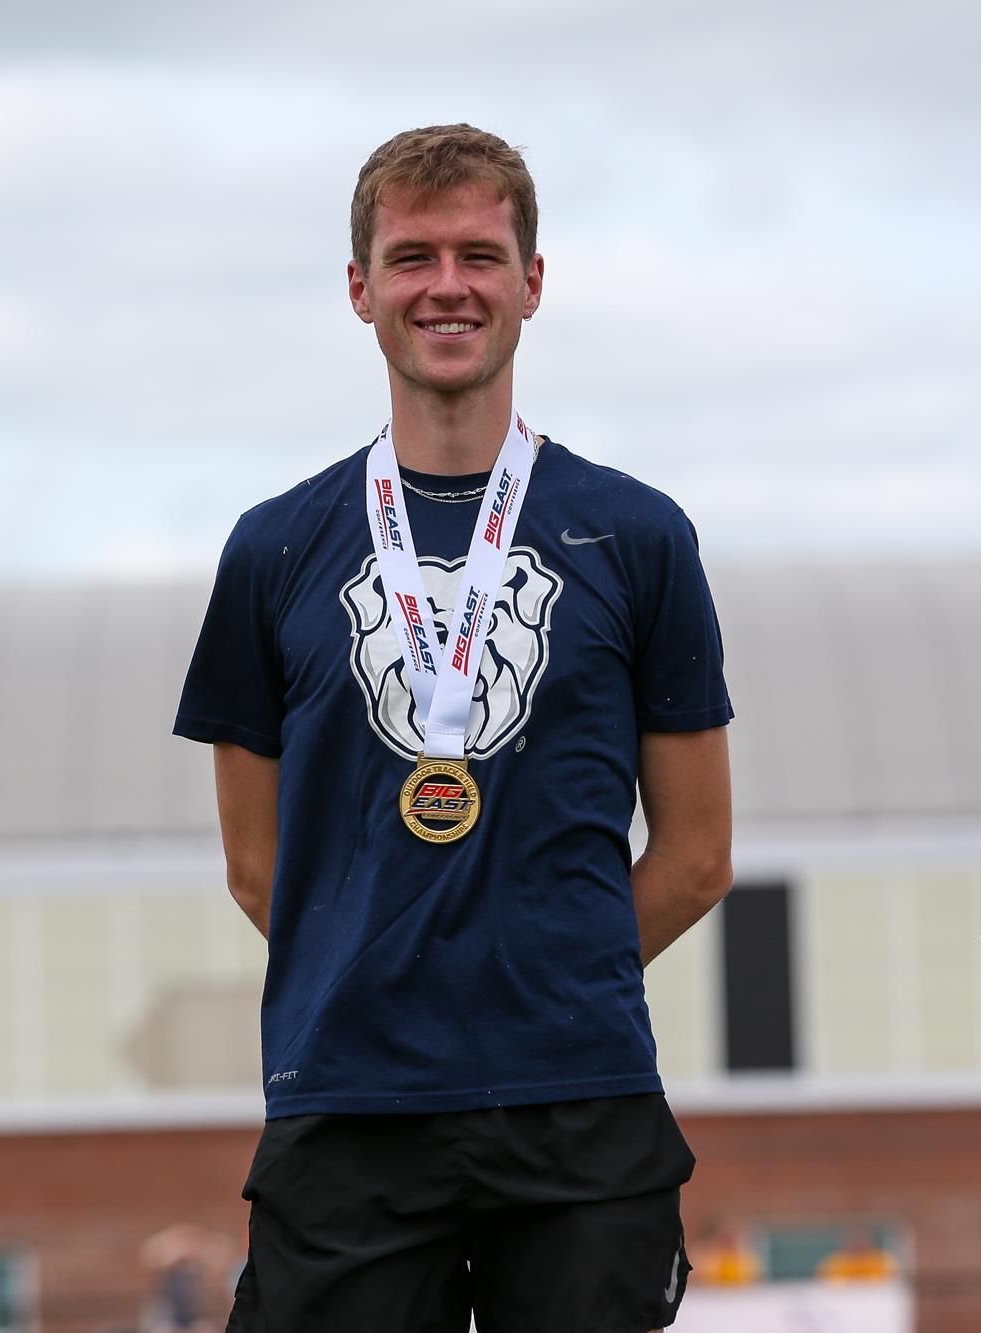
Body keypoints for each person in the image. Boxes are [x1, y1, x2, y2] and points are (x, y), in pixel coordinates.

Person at [175, 123, 735, 1333]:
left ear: (531, 282)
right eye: (411, 255)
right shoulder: (272, 547)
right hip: (348, 1107)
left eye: (478, 255)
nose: (446, 285)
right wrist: (394, 979)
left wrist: (539, 974)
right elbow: (255, 863)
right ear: (360, 287)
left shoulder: (637, 537)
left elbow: (695, 856)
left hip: (578, 1107)